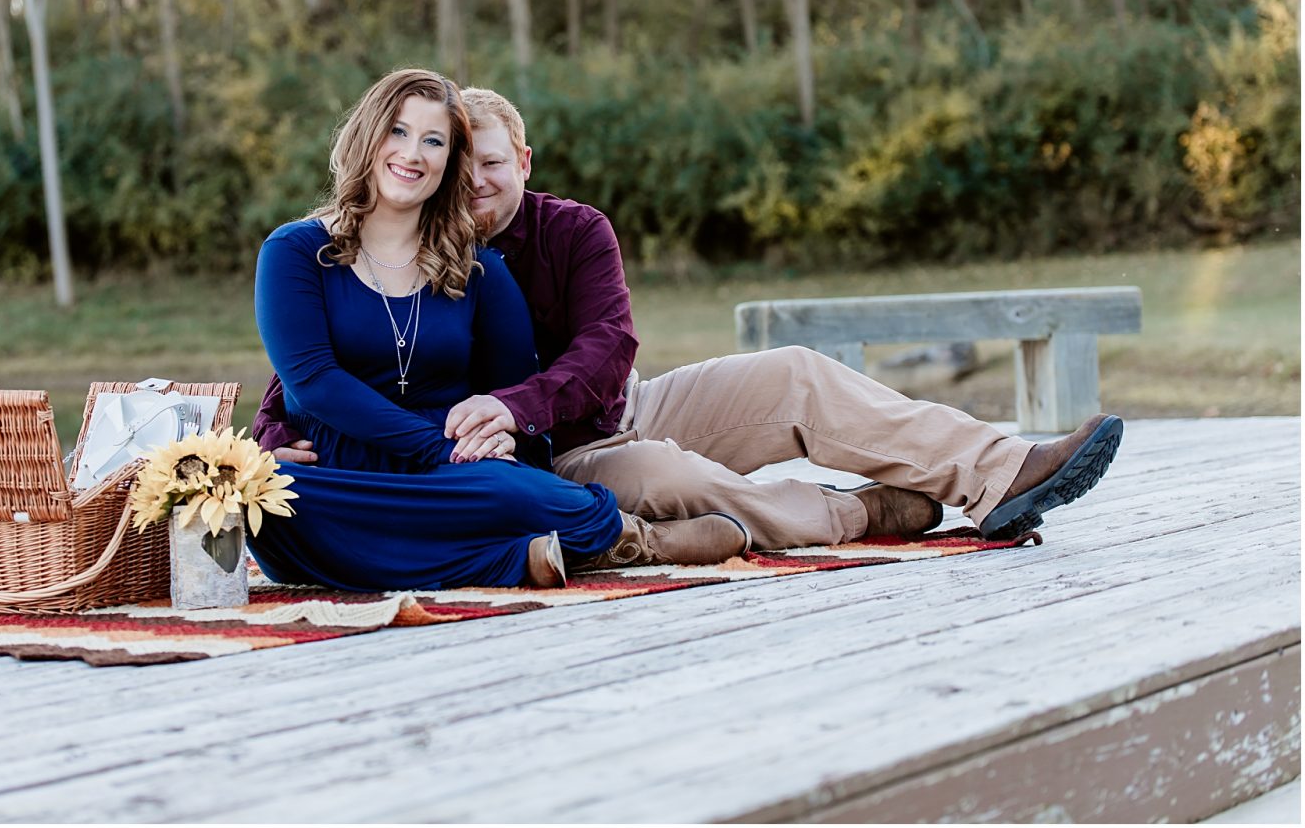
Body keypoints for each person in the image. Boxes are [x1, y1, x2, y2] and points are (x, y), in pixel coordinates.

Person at [256, 86, 1124, 552]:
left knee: (795, 375)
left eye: (486, 161)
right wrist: (272, 424)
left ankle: (1000, 471)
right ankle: (853, 516)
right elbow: (336, 350)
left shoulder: (574, 231)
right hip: (542, 458)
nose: (472, 181)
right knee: (663, 472)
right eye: (456, 166)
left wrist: (519, 404)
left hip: (607, 409)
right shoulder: (409, 247)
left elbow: (609, 347)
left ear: (520, 159)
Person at [247, 69, 749, 593]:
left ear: (450, 163)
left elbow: (515, 401)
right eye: (398, 130)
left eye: (433, 140)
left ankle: (606, 540)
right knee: (274, 497)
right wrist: (432, 450)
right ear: (366, 136)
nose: (412, 153)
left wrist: (498, 460)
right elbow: (313, 382)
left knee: (506, 491)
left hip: (457, 466)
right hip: (341, 464)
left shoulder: (479, 270)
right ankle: (540, 551)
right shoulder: (296, 251)